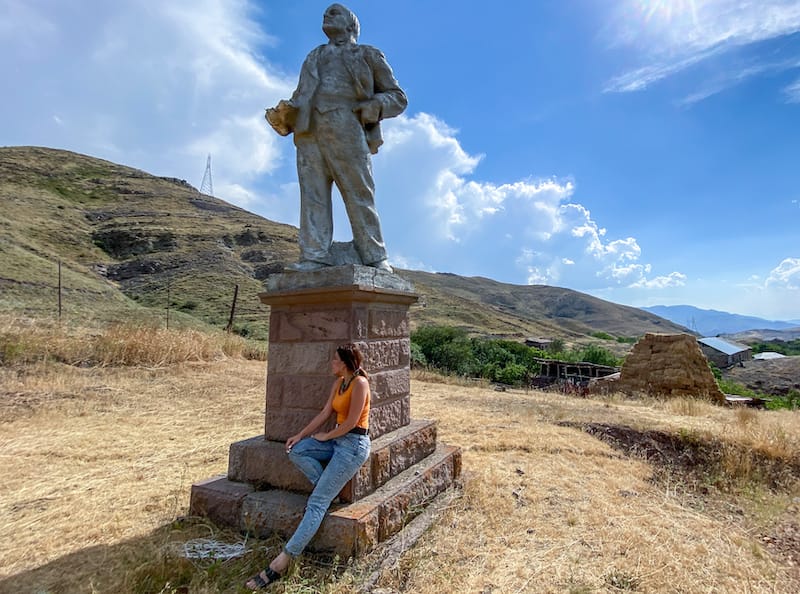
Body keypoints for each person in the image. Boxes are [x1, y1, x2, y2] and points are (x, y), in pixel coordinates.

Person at [265, 4, 407, 273]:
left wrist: (375, 106)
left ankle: (374, 256)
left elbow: (398, 98)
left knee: (359, 191)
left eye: (335, 13)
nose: (327, 15)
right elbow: (301, 95)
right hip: (309, 131)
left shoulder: (368, 54)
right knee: (312, 195)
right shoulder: (313, 57)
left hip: (346, 125)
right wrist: (286, 112)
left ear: (351, 25)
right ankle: (313, 256)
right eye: (326, 13)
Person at [245, 343, 372, 590]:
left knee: (316, 504)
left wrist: (326, 436)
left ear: (345, 363)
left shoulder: (360, 384)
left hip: (353, 446)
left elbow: (353, 422)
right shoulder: (339, 383)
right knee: (298, 450)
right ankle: (327, 487)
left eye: (334, 360)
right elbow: (325, 413)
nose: (331, 363)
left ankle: (281, 563)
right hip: (336, 441)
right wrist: (300, 434)